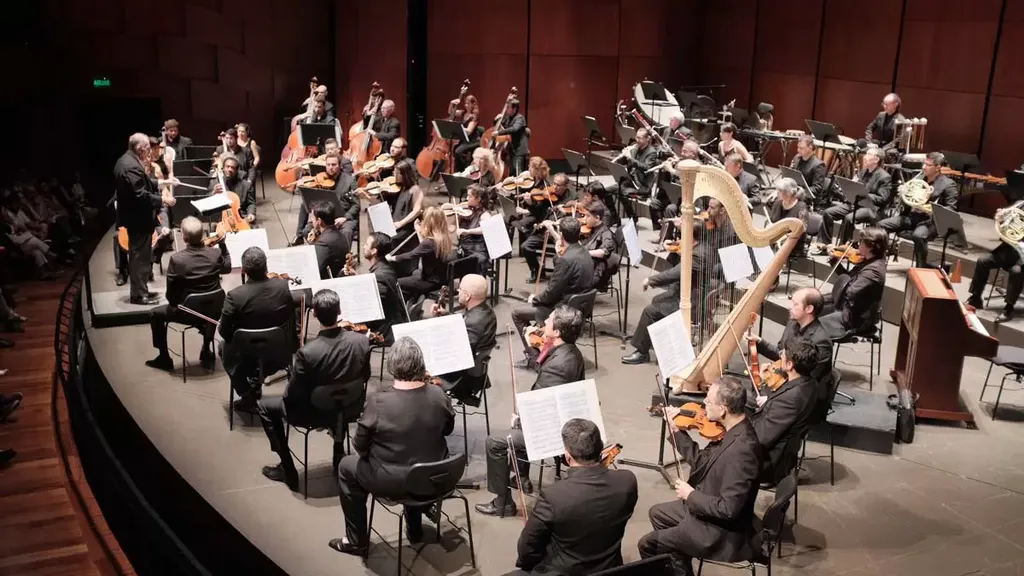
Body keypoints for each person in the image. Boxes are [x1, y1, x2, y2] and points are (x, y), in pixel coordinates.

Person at [330, 337, 455, 556]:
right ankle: (415, 529)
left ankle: (355, 540)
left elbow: (360, 446)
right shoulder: (439, 395)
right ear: (420, 363)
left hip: (394, 481)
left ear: (392, 365)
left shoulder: (377, 401)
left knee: (346, 466)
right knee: (415, 456)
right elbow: (447, 430)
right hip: (435, 476)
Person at [637, 377, 762, 576]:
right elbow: (702, 461)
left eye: (709, 401)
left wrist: (690, 495)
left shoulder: (742, 451)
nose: (703, 404)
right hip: (707, 508)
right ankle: (682, 566)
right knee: (657, 514)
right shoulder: (731, 431)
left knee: (647, 544)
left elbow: (729, 510)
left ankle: (679, 557)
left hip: (720, 532)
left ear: (722, 409)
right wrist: (676, 430)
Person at [476, 306, 587, 517]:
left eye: (549, 321)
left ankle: (503, 503)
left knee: (496, 442)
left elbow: (540, 406)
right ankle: (522, 479)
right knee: (520, 420)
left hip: (553, 431)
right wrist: (531, 345)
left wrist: (520, 419)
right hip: (563, 418)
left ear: (557, 332)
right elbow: (543, 369)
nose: (544, 322)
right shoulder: (571, 351)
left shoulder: (560, 365)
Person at [258, 289, 371, 491]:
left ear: (315, 314)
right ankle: (338, 452)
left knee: (265, 407)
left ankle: (288, 469)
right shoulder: (361, 341)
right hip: (349, 407)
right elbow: (365, 376)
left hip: (312, 413)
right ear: (340, 311)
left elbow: (292, 396)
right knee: (339, 395)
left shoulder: (308, 353)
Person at [506, 419, 638, 576]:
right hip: (610, 569)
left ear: (567, 457)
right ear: (601, 448)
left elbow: (527, 549)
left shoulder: (553, 496)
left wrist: (528, 566)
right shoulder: (627, 481)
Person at [145, 216, 230, 372]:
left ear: (183, 237)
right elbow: (227, 268)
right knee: (210, 306)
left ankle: (164, 358)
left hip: (187, 312)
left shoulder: (177, 259)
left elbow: (171, 297)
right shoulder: (215, 254)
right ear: (204, 235)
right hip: (213, 310)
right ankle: (206, 349)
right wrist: (223, 245)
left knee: (154, 314)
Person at [219, 247, 297, 412]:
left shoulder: (235, 296)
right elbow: (290, 316)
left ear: (244, 270)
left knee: (222, 347)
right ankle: (256, 382)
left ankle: (247, 395)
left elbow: (224, 332)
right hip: (278, 354)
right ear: (266, 267)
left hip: (245, 358)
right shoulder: (283, 287)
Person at [511, 218, 594, 368]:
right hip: (582, 305)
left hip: (563, 309)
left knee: (517, 313)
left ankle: (534, 358)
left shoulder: (566, 260)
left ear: (562, 236)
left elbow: (550, 293)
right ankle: (543, 347)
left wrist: (534, 299)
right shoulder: (585, 251)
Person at [621, 227, 710, 365]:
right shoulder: (703, 248)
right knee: (656, 300)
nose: (679, 239)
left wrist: (650, 280)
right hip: (688, 293)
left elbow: (675, 273)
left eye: (682, 235)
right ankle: (652, 339)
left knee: (650, 310)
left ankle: (642, 352)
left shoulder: (698, 256)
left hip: (692, 302)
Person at [114, 133, 178, 304]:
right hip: (138, 219)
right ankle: (138, 295)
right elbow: (140, 195)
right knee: (139, 258)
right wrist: (163, 199)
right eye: (148, 149)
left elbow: (143, 183)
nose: (150, 152)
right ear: (140, 149)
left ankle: (142, 290)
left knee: (142, 256)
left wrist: (164, 183)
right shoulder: (131, 166)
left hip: (137, 217)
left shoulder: (127, 160)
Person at [749, 337, 820, 483]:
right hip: (779, 445)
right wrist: (765, 383)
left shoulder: (791, 399)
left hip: (769, 462)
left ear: (789, 364)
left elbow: (761, 438)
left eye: (782, 355)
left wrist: (733, 427)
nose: (779, 356)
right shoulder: (809, 382)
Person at [746, 287, 833, 398]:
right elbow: (781, 354)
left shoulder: (821, 341)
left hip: (803, 396)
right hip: (788, 381)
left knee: (746, 401)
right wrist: (759, 341)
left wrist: (768, 389)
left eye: (795, 304)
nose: (789, 307)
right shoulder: (792, 324)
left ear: (809, 309)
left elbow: (806, 380)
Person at [878, 152, 958, 268]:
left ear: (938, 167)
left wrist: (929, 209)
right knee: (881, 225)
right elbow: (909, 200)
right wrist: (903, 194)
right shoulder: (918, 178)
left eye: (928, 165)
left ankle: (921, 267)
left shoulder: (948, 184)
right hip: (912, 217)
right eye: (924, 164)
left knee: (919, 235)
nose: (923, 167)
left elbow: (951, 208)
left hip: (930, 221)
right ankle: (879, 259)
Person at [431, 274, 497, 403]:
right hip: (476, 370)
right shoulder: (486, 311)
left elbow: (458, 354)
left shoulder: (474, 321)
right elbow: (464, 324)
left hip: (463, 379)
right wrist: (446, 314)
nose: (457, 292)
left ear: (467, 296)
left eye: (460, 289)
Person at [820, 227, 888, 336]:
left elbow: (849, 291)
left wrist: (824, 299)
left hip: (855, 318)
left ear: (870, 246)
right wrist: (834, 260)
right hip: (848, 306)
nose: (857, 245)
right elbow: (847, 277)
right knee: (809, 309)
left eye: (861, 242)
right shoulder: (867, 261)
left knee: (812, 322)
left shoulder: (874, 271)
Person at [388, 207, 454, 317]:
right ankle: (414, 304)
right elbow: (423, 249)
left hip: (430, 281)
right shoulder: (443, 237)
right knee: (415, 273)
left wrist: (392, 258)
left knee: (396, 283)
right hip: (441, 278)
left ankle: (402, 312)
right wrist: (418, 232)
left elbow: (412, 254)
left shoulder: (430, 241)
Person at [817, 147, 891, 246]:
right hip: (855, 203)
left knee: (849, 218)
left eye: (869, 155)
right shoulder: (863, 171)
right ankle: (824, 244)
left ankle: (843, 246)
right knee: (828, 213)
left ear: (876, 160)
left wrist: (864, 194)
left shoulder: (884, 177)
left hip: (871, 208)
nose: (865, 157)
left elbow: (883, 198)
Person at [293, 151, 357, 246]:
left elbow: (356, 204)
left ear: (340, 166)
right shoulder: (320, 178)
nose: (330, 167)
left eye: (334, 165)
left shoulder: (350, 181)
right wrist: (301, 188)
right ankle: (322, 252)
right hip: (324, 218)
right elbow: (309, 199)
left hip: (343, 217)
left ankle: (344, 258)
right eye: (328, 165)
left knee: (346, 232)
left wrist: (345, 218)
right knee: (307, 231)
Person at [519, 173, 572, 283]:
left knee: (560, 253)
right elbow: (537, 212)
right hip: (544, 230)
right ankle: (536, 271)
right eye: (554, 183)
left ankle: (561, 277)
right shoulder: (547, 194)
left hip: (559, 233)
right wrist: (530, 203)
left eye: (558, 185)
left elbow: (571, 218)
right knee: (525, 247)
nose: (554, 187)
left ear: (566, 186)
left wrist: (557, 221)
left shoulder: (571, 198)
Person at [361, 160, 423, 249]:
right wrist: (366, 196)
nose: (394, 175)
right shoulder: (397, 188)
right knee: (376, 235)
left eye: (397, 173)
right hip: (394, 224)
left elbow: (417, 211)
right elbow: (381, 203)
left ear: (404, 175)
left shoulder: (415, 189)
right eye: (394, 172)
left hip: (406, 227)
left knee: (385, 241)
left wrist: (401, 223)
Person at [969, 223, 1024, 322]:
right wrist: (1003, 222)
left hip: (1021, 260)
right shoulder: (1021, 208)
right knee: (982, 261)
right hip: (1006, 252)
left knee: (1016, 272)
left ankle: (1009, 308)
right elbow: (1003, 235)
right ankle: (976, 298)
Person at [361, 233, 405, 345]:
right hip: (390, 319)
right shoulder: (385, 267)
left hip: (383, 330)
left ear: (373, 251)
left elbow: (373, 309)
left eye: (366, 244)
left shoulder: (379, 276)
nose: (363, 246)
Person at [613, 128, 662, 226]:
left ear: (647, 139)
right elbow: (626, 163)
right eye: (637, 137)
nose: (637, 140)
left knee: (622, 191)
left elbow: (646, 167)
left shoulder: (651, 152)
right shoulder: (635, 148)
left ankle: (632, 217)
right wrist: (622, 156)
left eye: (640, 138)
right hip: (630, 181)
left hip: (642, 185)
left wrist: (630, 158)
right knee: (605, 190)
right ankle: (614, 217)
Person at [451, 183, 499, 274]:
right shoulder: (466, 211)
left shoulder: (484, 214)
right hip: (464, 249)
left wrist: (468, 231)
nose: (466, 199)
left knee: (472, 263)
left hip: (477, 251)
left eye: (469, 196)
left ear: (479, 199)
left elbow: (486, 229)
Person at [209, 154, 255, 223]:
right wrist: (213, 193)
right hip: (221, 219)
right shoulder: (214, 183)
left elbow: (251, 204)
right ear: (223, 168)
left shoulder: (246, 185)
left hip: (240, 218)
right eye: (227, 167)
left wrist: (251, 213)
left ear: (237, 171)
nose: (230, 169)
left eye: (233, 167)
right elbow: (207, 201)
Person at [583, 201, 618, 289]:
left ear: (597, 218)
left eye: (587, 216)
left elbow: (604, 252)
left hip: (594, 268)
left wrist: (584, 252)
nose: (584, 219)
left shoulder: (606, 233)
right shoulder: (590, 228)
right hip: (584, 263)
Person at [494, 98, 529, 175]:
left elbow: (514, 129)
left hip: (519, 150)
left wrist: (499, 133)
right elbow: (499, 126)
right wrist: (496, 120)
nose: (506, 109)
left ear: (514, 109)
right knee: (512, 172)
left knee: (518, 173)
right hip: (511, 150)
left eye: (508, 107)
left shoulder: (520, 118)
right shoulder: (508, 118)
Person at [789, 135, 827, 201]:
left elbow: (817, 188)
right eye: (798, 147)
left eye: (801, 148)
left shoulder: (818, 165)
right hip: (793, 191)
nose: (798, 150)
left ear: (810, 147)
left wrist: (799, 192)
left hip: (806, 197)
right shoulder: (796, 158)